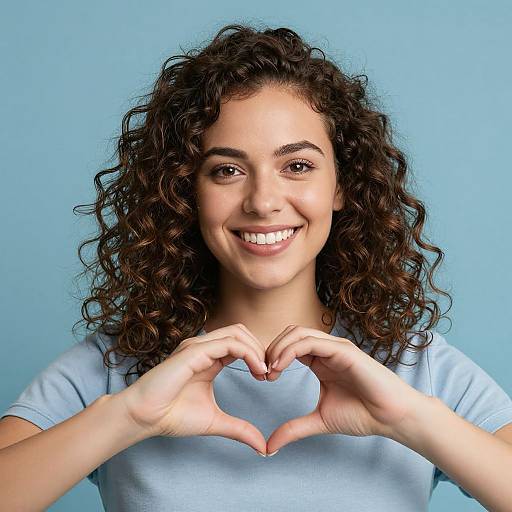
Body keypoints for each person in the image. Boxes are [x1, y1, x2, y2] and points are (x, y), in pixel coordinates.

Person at [1, 23, 511, 512]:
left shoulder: (418, 369)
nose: (264, 201)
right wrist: (129, 417)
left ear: (340, 186)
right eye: (227, 170)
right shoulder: (114, 370)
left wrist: (410, 420)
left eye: (297, 166)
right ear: (186, 192)